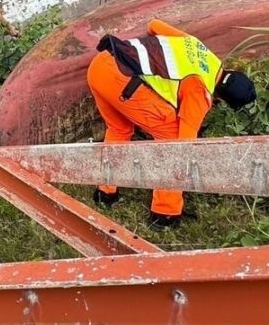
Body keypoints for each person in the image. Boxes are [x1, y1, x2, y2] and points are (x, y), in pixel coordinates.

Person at [88, 18, 257, 231]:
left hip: (102, 62)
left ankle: (105, 192)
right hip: (121, 80)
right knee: (171, 141)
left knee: (119, 129)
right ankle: (165, 213)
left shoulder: (201, 50)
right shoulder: (202, 92)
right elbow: (183, 146)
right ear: (222, 99)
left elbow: (154, 25)